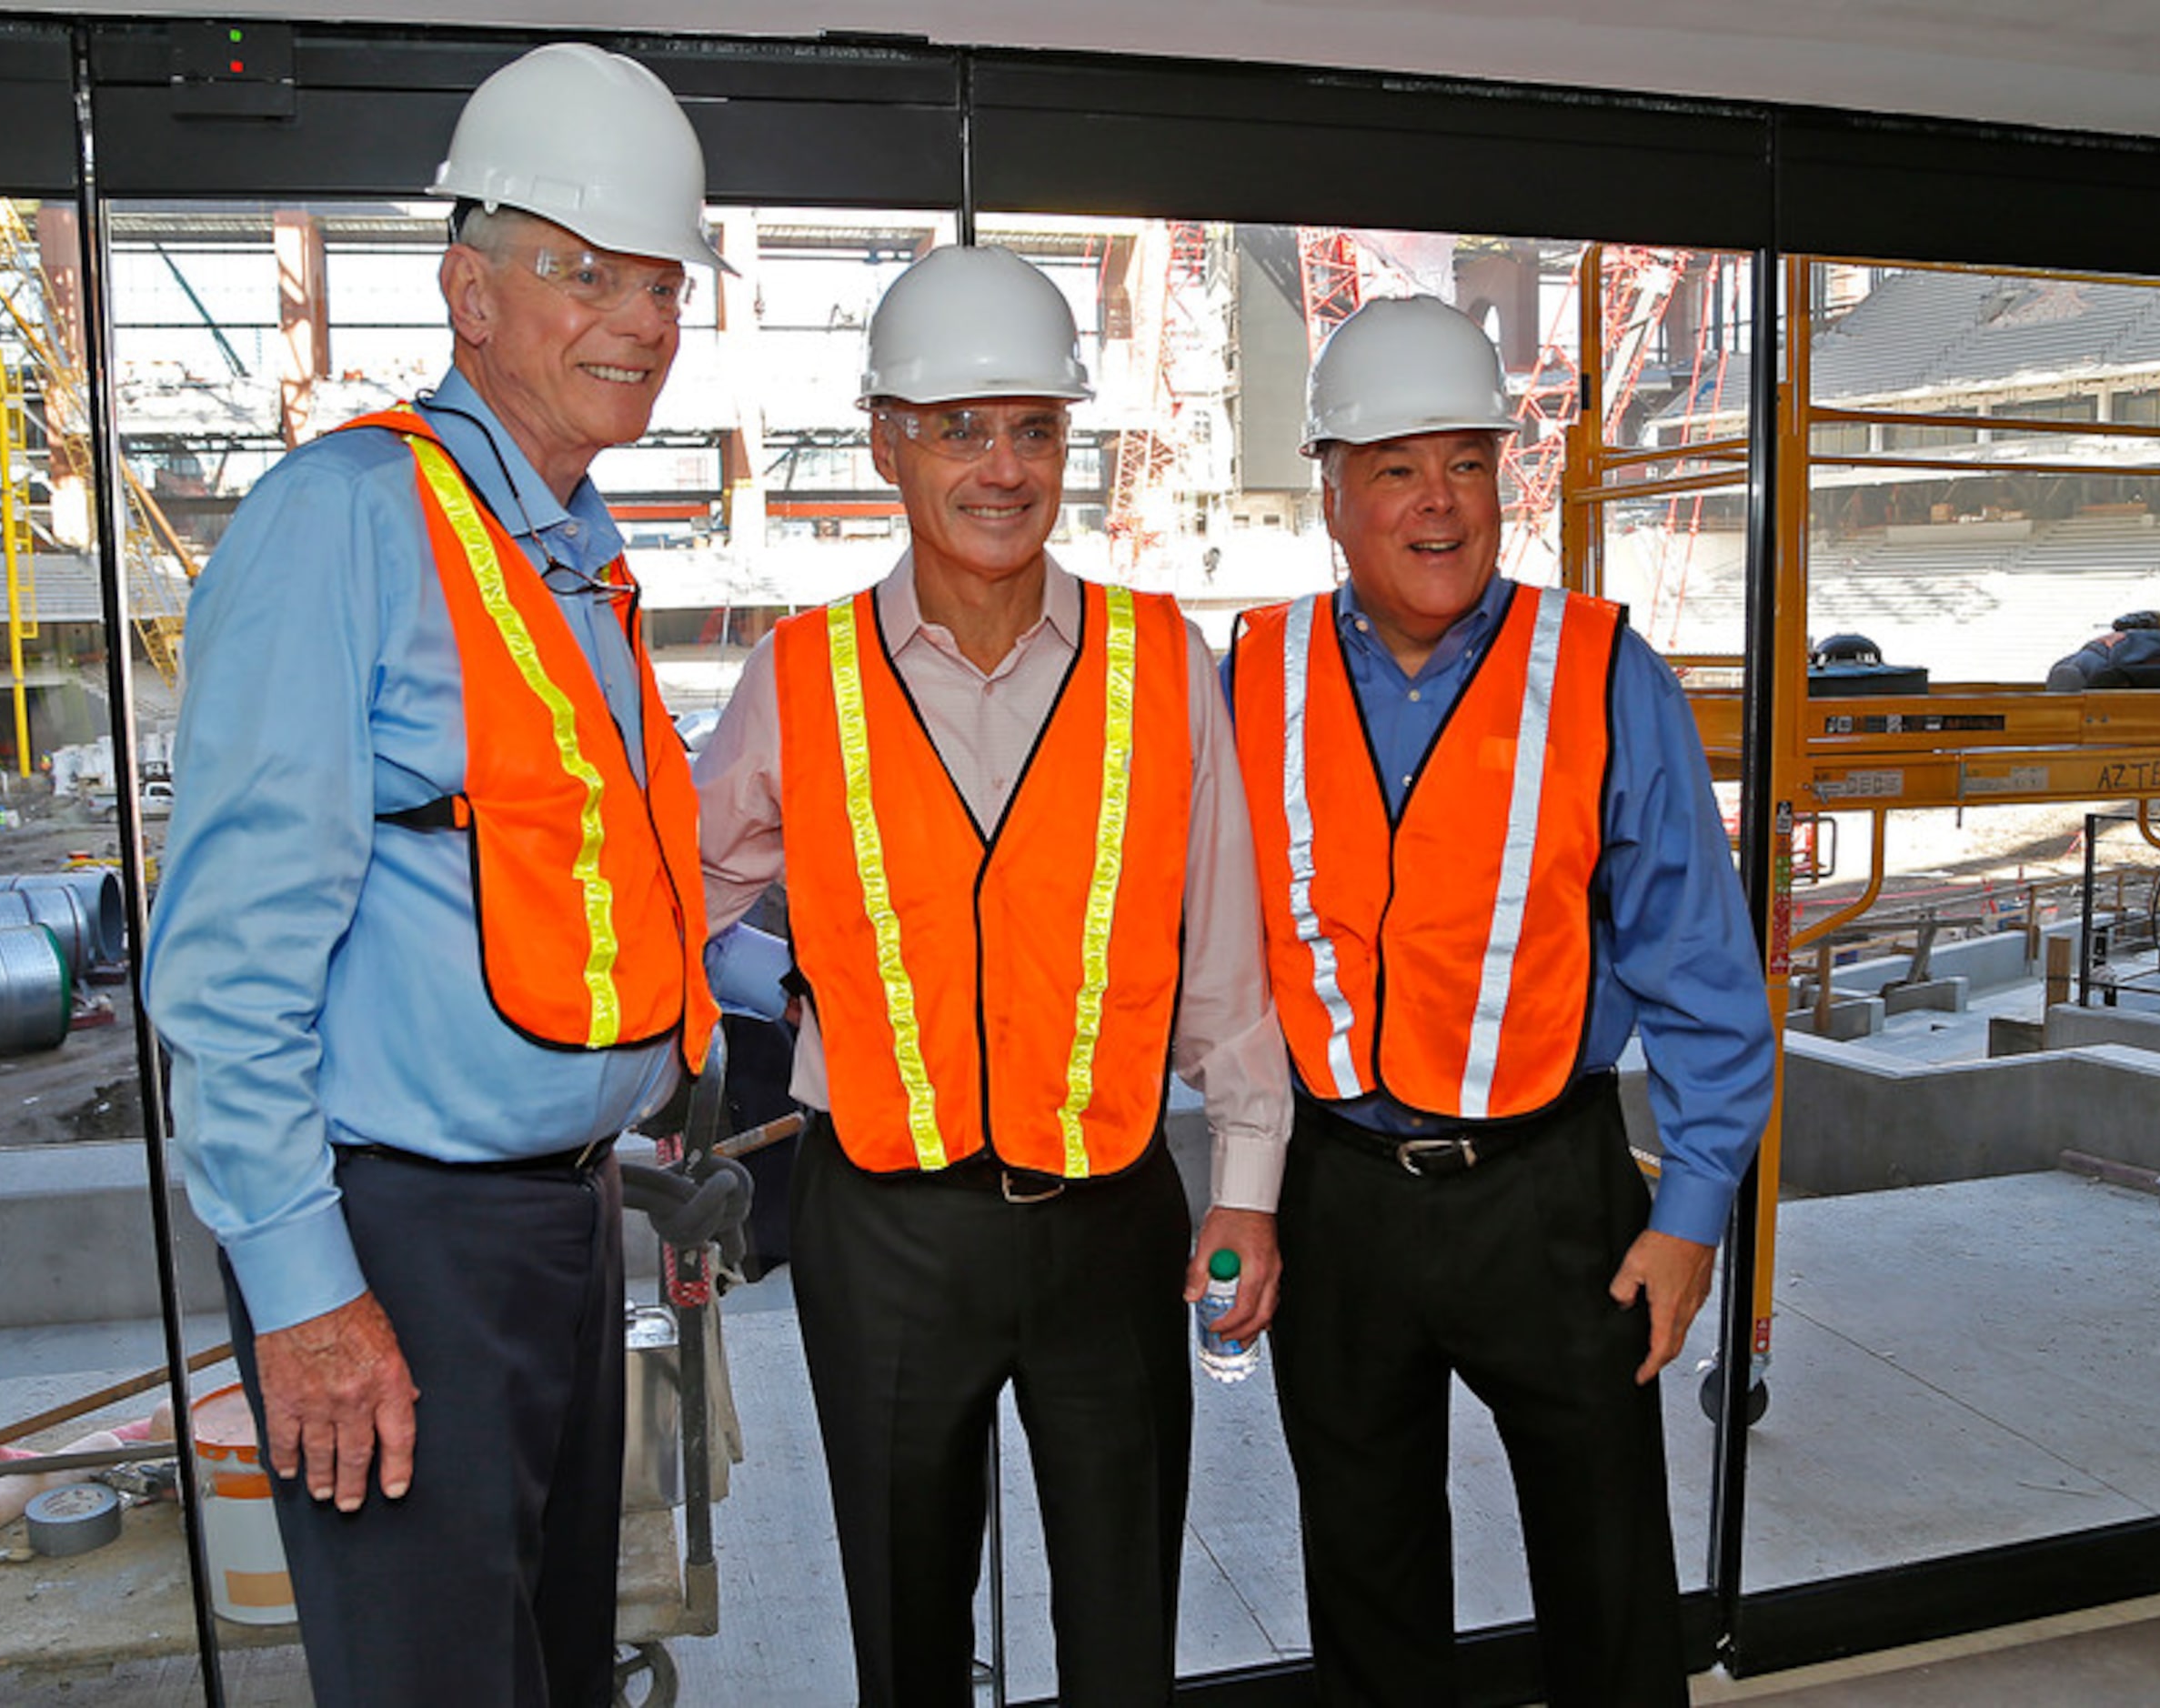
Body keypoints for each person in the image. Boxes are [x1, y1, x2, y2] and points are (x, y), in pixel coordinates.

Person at [141, 43, 726, 1706]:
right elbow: (232, 964)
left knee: (546, 1668)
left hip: (560, 1221)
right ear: (467, 290)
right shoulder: (347, 518)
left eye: (659, 284)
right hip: (397, 1237)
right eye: (582, 271)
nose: (637, 320)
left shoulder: (570, 548)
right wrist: (310, 1294)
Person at [694, 244, 1291, 1707]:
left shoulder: (1161, 663)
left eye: (1033, 426)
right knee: (906, 1640)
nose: (1002, 466)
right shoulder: (801, 676)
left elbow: (1219, 953)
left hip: (1106, 1224)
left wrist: (1248, 1189)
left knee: (1120, 1637)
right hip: (882, 1235)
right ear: (887, 435)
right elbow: (677, 902)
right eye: (961, 427)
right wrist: (780, 987)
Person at [1224, 296, 1774, 1706]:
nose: (1436, 504)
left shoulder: (1603, 674)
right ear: (1331, 490)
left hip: (1549, 1195)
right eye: (1396, 467)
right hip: (1334, 1197)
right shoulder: (1250, 676)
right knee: (1365, 1576)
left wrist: (1691, 1211)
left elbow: (1703, 969)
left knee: (1606, 1580)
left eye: (1466, 463)